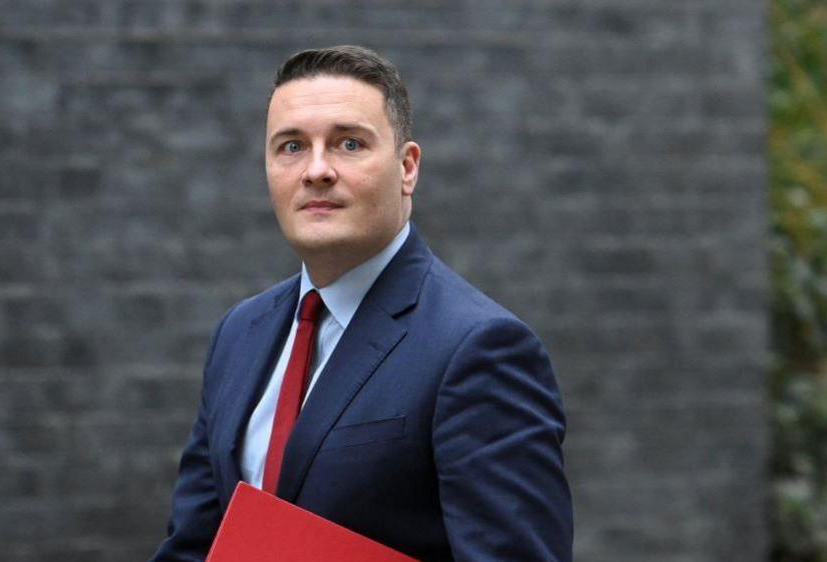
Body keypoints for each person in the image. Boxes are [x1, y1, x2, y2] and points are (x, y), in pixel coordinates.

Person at [150, 45, 572, 562]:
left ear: (408, 168)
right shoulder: (240, 333)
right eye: (291, 147)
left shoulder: (480, 348)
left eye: (349, 144)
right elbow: (195, 546)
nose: (317, 170)